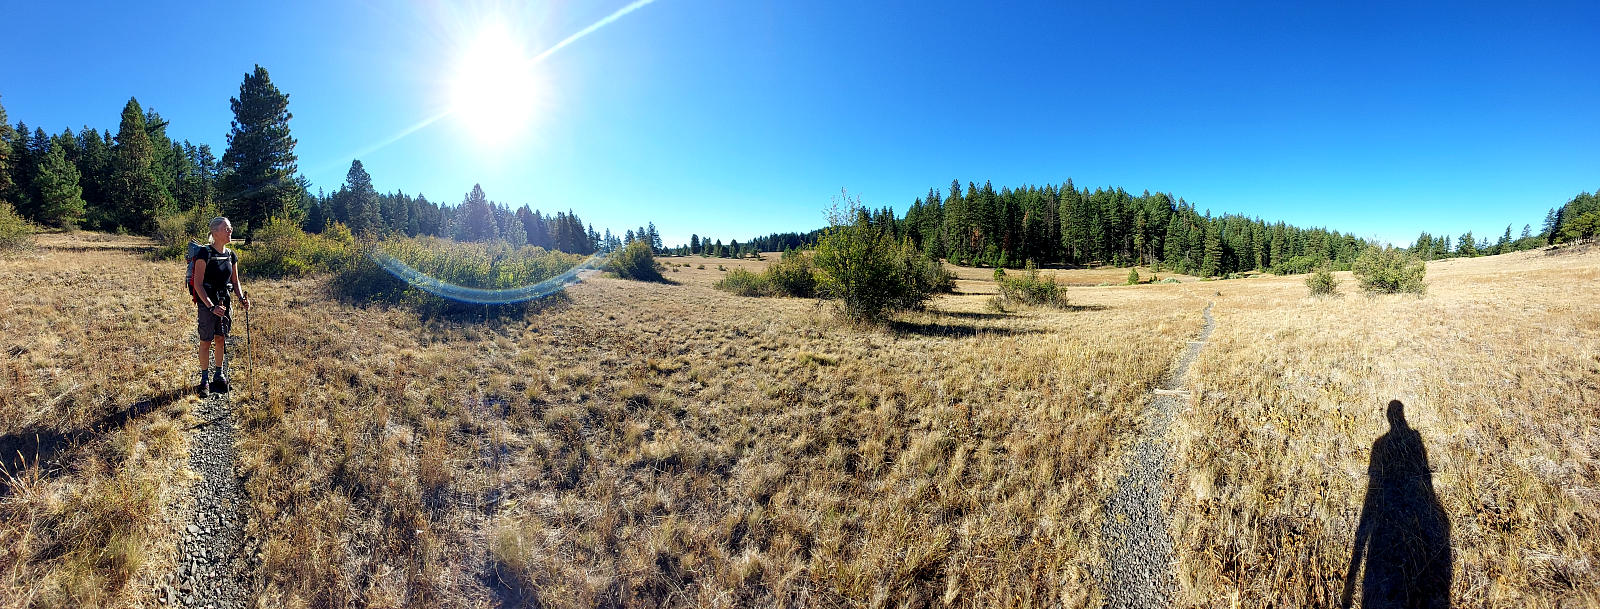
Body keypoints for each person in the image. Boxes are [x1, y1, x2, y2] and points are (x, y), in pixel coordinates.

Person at [191, 217, 250, 396]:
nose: (230, 231)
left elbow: (235, 280)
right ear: (215, 232)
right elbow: (198, 284)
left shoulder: (231, 255)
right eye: (226, 228)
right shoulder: (204, 253)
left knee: (220, 338)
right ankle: (204, 379)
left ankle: (219, 374)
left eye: (230, 228)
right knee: (206, 341)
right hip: (207, 304)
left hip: (225, 302)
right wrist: (210, 307)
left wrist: (241, 298)